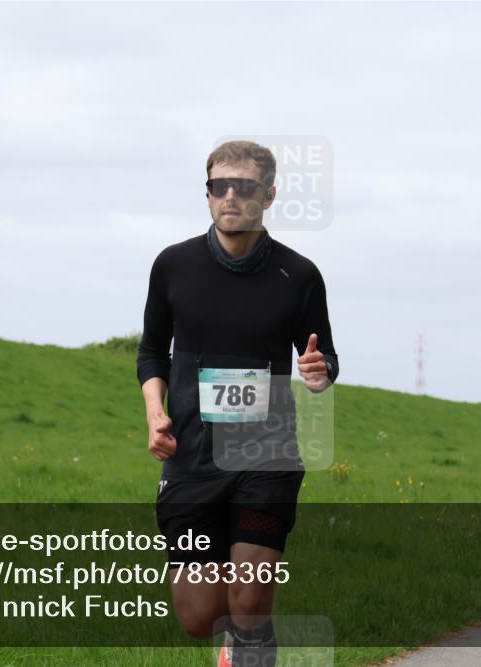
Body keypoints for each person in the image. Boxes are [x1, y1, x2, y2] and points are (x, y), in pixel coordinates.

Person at [137, 140, 338, 666]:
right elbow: (153, 352)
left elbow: (324, 360)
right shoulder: (173, 265)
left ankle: (250, 646)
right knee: (199, 616)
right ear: (206, 195)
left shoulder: (299, 275)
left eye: (243, 186)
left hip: (267, 456)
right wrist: (156, 414)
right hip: (192, 456)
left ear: (268, 195)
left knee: (248, 602)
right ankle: (230, 643)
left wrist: (318, 373)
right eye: (218, 186)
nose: (229, 196)